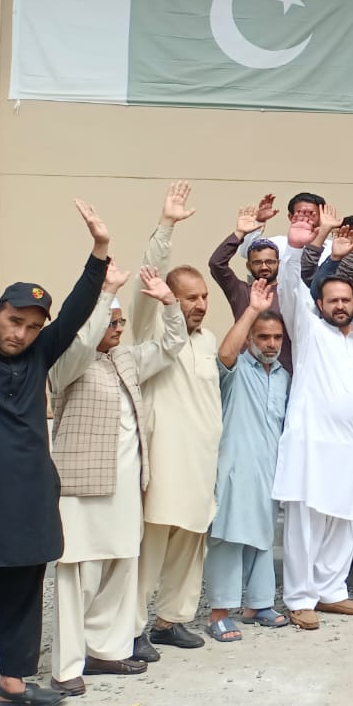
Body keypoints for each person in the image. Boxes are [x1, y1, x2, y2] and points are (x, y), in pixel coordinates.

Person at [0, 190, 109, 706]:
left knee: (21, 596)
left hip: (28, 505)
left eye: (32, 326)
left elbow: (77, 311)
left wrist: (99, 251)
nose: (21, 333)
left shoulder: (40, 355)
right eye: (14, 320)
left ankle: (13, 681)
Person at [47, 263, 186, 694]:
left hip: (125, 488)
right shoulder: (67, 362)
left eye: (122, 322)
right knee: (79, 576)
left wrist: (169, 303)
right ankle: (67, 667)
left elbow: (171, 344)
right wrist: (103, 295)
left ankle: (105, 651)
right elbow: (81, 345)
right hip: (82, 488)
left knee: (120, 568)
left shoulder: (125, 358)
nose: (119, 329)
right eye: (112, 322)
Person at [271, 219, 353, 631]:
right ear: (320, 303)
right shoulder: (309, 329)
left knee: (342, 520)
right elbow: (288, 287)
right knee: (306, 525)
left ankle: (332, 591)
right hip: (311, 444)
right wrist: (297, 249)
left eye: (345, 299)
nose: (340, 306)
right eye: (332, 300)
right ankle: (300, 598)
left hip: (349, 446)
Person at [133, 182, 223, 658]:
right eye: (190, 297)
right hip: (164, 464)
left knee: (191, 545)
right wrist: (166, 225)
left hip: (201, 464)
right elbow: (149, 278)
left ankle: (171, 620)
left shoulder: (208, 340)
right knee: (149, 549)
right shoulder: (152, 332)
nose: (200, 305)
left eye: (203, 297)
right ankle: (130, 629)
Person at [205, 281, 290, 641]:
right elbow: (225, 353)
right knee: (229, 538)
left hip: (269, 471)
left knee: (262, 537)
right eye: (263, 337)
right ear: (250, 339)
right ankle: (219, 612)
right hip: (235, 470)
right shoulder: (236, 369)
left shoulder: (284, 377)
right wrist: (252, 309)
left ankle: (258, 604)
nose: (271, 344)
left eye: (276, 337)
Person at [209, 195, 292, 367]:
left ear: (279, 263)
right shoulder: (240, 291)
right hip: (245, 372)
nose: (264, 267)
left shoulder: (289, 293)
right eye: (258, 262)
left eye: (269, 262)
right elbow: (217, 264)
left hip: (283, 373)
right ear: (248, 265)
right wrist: (240, 233)